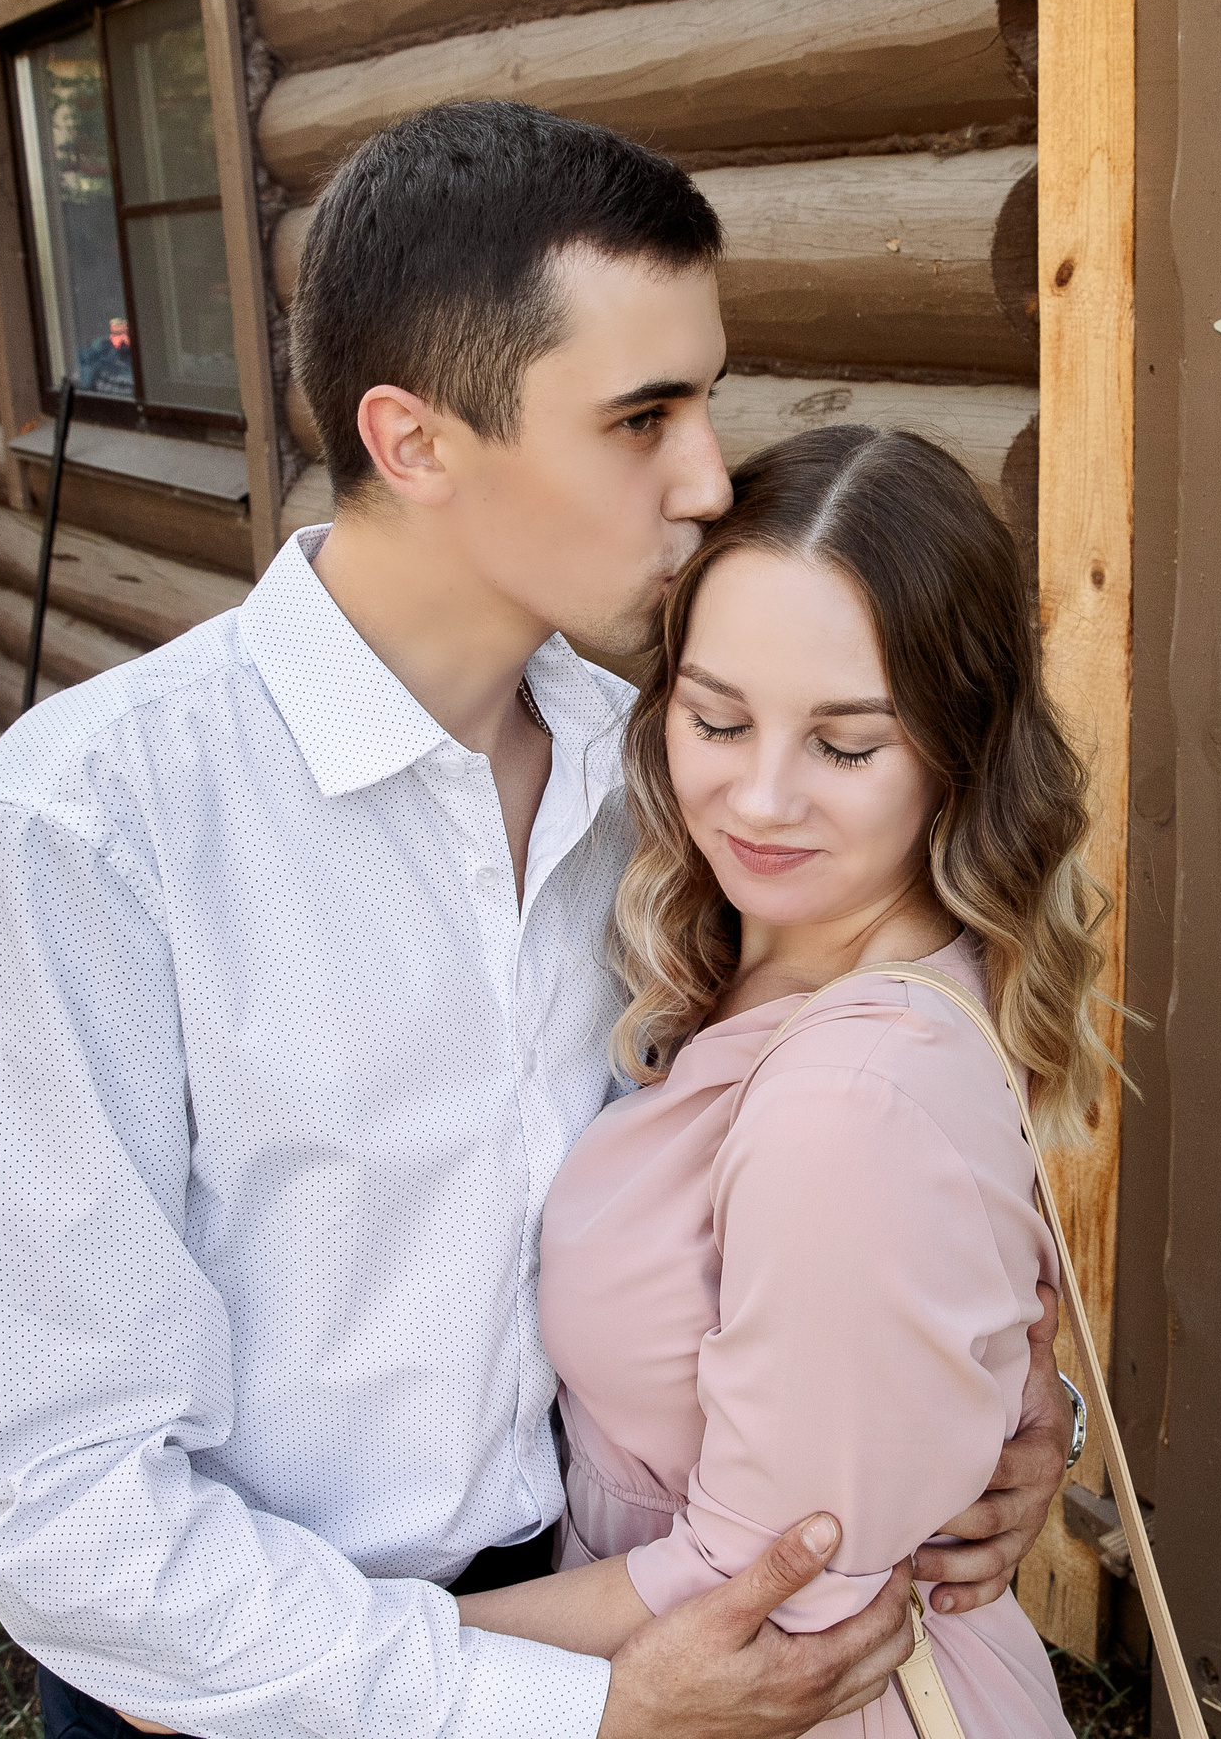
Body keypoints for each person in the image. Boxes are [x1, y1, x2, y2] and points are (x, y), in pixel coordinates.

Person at [0, 103, 1073, 1739]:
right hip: (252, 1686)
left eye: (708, 400)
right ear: (417, 442)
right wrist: (552, 1707)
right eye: (641, 417)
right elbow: (62, 1498)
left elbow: (860, 1195)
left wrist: (1000, 1423)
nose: (706, 477)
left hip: (614, 1586)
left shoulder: (667, 791)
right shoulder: (93, 834)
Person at [451, 424, 1104, 1739]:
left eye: (846, 745)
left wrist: (303, 1669)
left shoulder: (850, 1097)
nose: (758, 798)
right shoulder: (749, 949)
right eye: (718, 718)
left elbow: (753, 1584)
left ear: (957, 750)